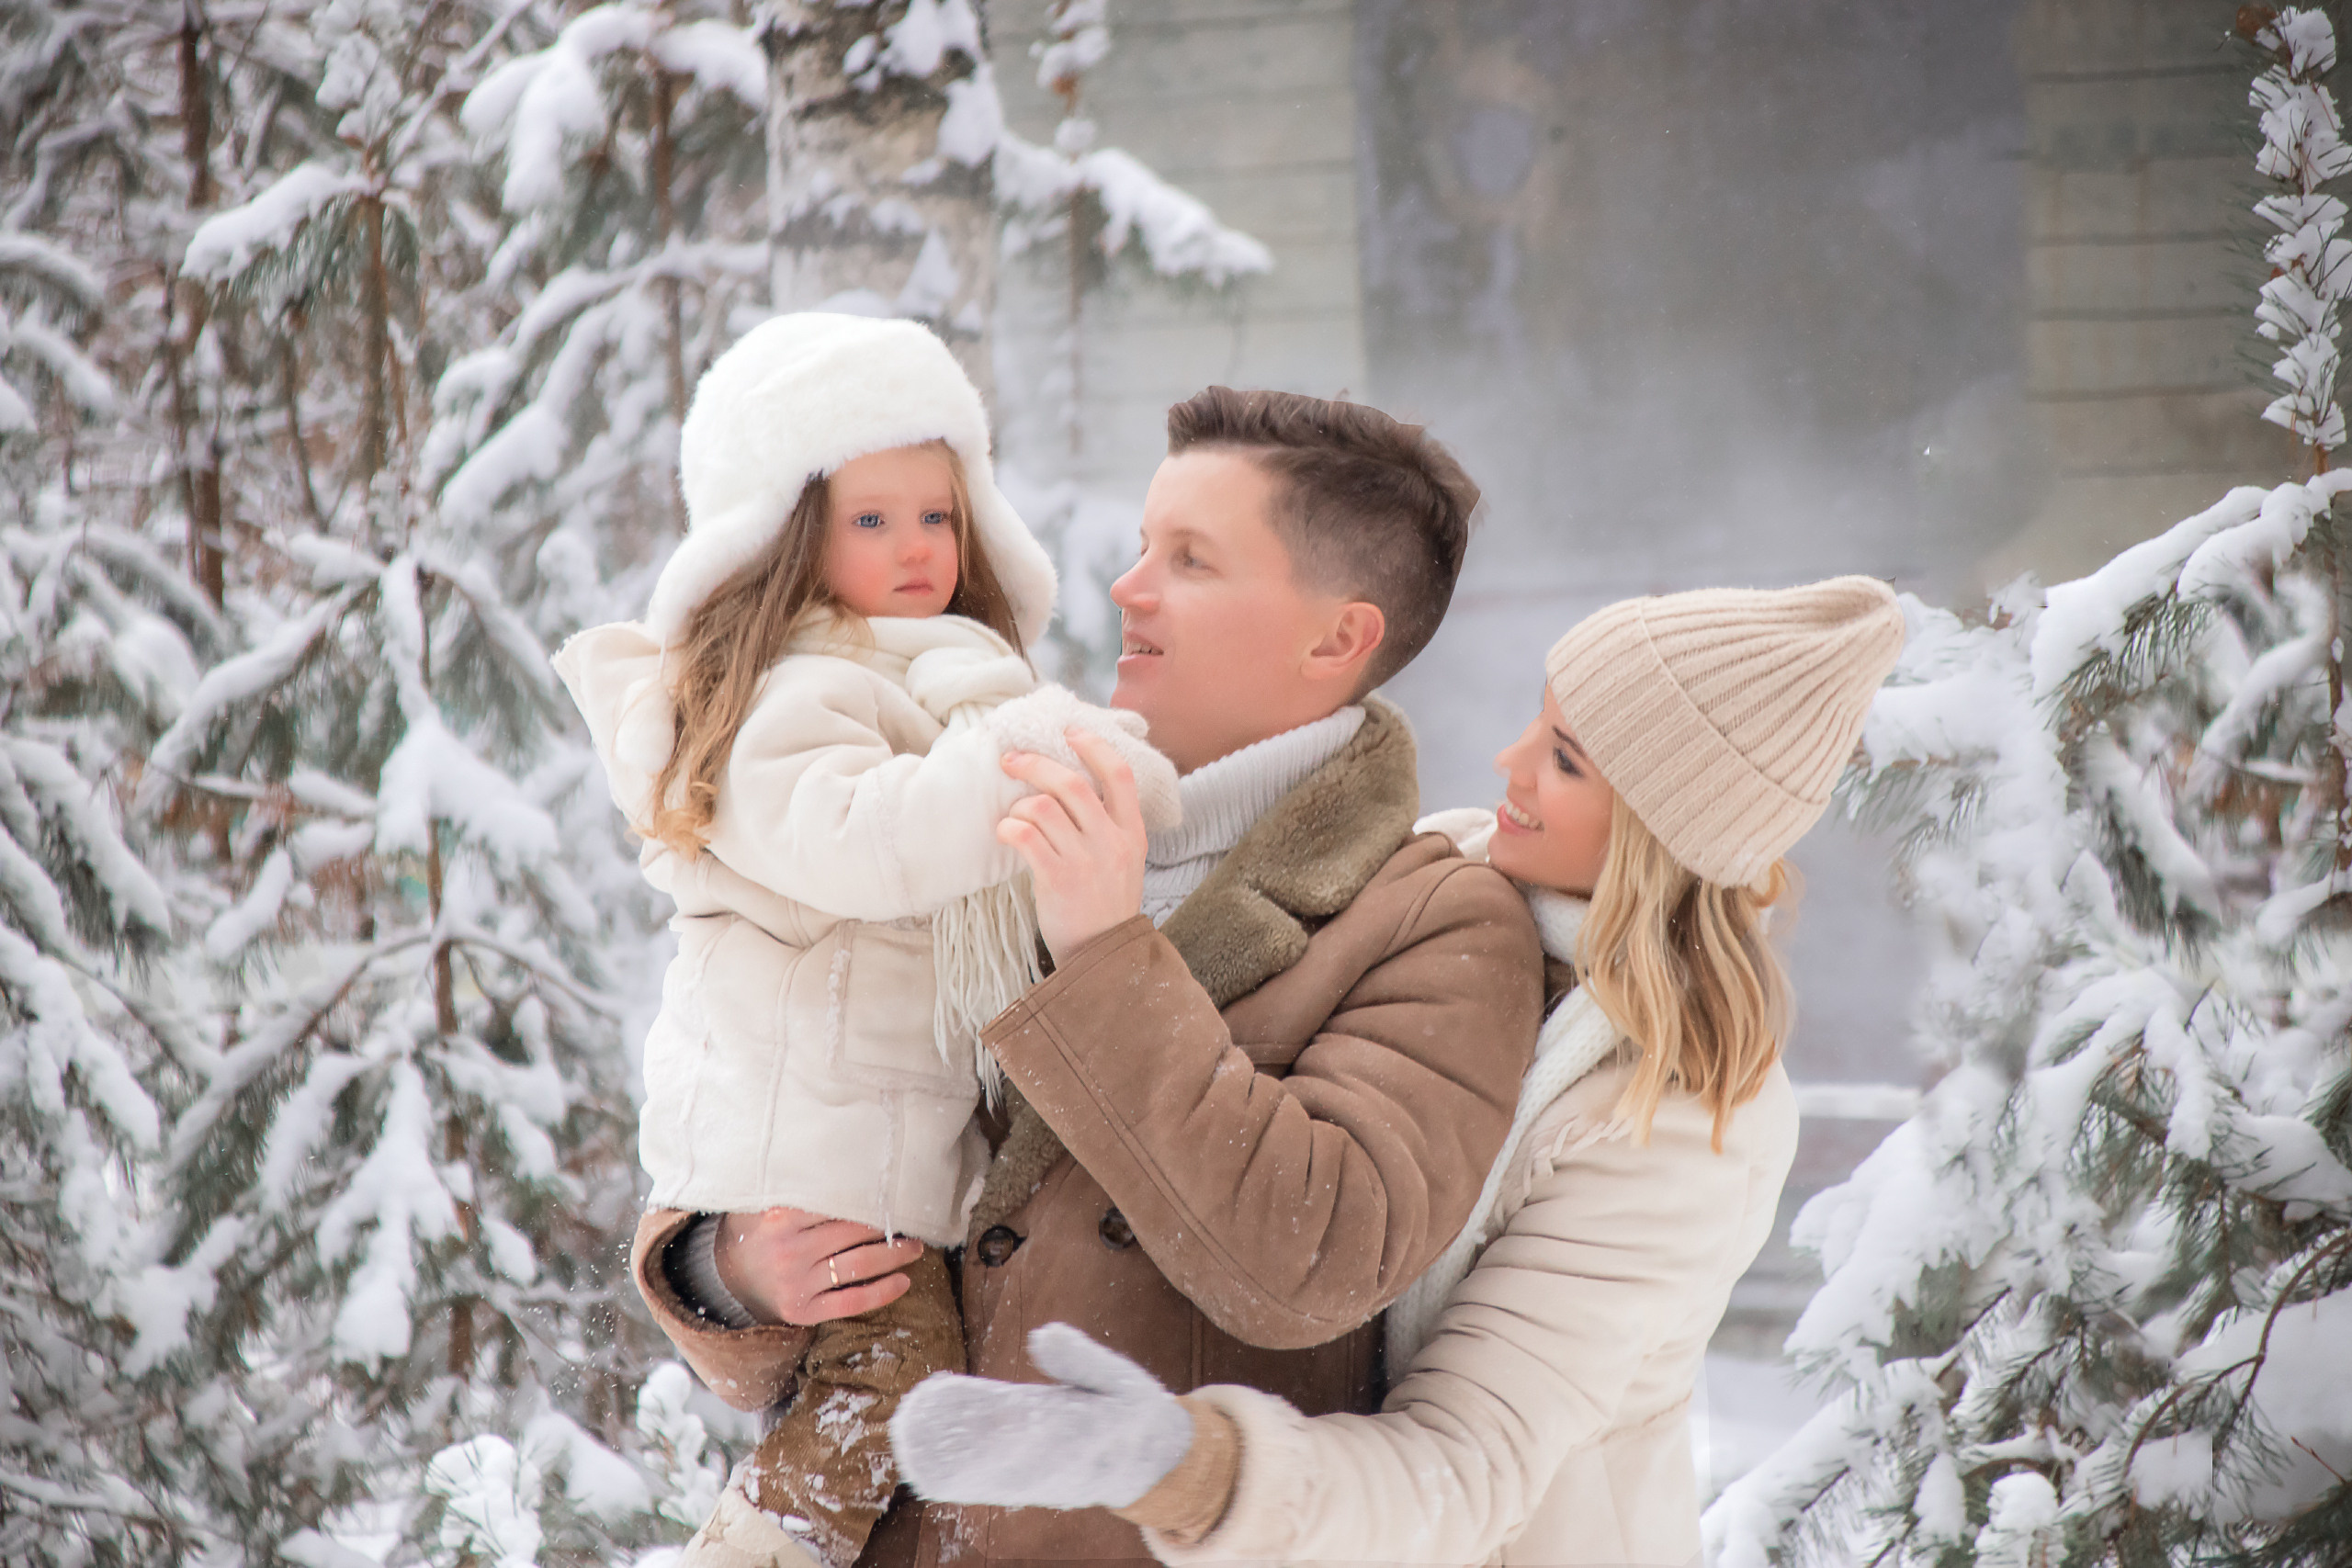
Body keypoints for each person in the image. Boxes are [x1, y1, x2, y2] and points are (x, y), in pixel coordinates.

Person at [632, 388, 1550, 1567]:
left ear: (1336, 638)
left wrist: (1106, 953)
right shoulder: (984, 796)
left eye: (1192, 560)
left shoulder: (1427, 915)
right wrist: (730, 1267)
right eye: (1138, 547)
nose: (1127, 588)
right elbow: (782, 1065)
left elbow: (1314, 1258)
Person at [891, 578, 1910, 1568]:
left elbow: (1462, 1472)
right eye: (1535, 722)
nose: (1509, 762)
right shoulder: (1433, 881)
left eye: (1563, 759)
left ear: (1659, 830)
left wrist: (1184, 1468)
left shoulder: (1674, 1124)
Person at [552, 311, 1179, 1568]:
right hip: (816, 1158)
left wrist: (1078, 763)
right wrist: (1046, 759)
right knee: (883, 1390)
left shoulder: (956, 678)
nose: (916, 549)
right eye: (872, 519)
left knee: (907, 1397)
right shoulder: (796, 689)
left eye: (938, 517)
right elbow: (869, 841)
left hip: (886, 1149)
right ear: (786, 535)